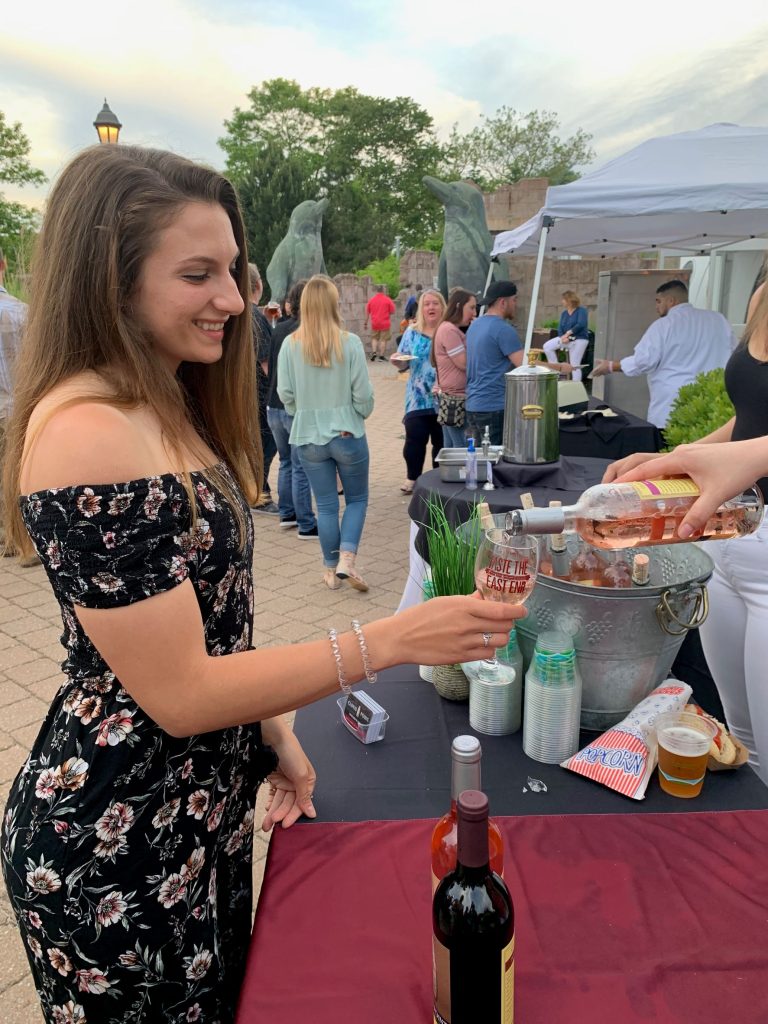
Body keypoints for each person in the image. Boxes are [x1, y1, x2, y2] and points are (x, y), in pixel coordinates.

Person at [0, 145, 524, 1024]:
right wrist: (391, 640)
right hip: (114, 848)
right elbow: (179, 692)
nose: (235, 300)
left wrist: (272, 730)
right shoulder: (88, 428)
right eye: (197, 274)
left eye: (235, 271)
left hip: (189, 817)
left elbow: (210, 633)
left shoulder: (157, 397)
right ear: (109, 279)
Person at [605, 278, 768, 784]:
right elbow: (751, 417)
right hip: (738, 536)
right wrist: (675, 462)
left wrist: (752, 458)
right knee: (743, 742)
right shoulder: (761, 293)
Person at [278, 275, 374, 591]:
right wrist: (357, 413)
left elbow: (286, 394)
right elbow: (363, 397)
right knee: (357, 499)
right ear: (334, 304)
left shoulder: (289, 346)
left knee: (327, 504)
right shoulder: (350, 343)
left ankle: (331, 571)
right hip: (346, 432)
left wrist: (305, 414)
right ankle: (348, 558)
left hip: (307, 436)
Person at [591, 279, 736, 430]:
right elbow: (735, 353)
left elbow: (644, 361)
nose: (656, 306)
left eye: (658, 301)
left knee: (669, 446)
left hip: (673, 403)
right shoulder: (718, 320)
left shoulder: (663, 326)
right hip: (712, 400)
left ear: (671, 301)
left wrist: (610, 366)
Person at [264, 278, 318, 537]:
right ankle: (306, 523)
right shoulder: (306, 331)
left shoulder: (278, 329)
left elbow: (270, 366)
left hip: (272, 406)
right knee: (300, 466)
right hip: (293, 406)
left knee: (286, 462)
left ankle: (287, 513)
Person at [0, 248, 38, 566]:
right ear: (3, 265)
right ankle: (25, 544)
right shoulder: (21, 312)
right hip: (16, 407)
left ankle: (6, 535)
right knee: (17, 473)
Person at [390, 288, 446, 494]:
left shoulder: (448, 330)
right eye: (426, 303)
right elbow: (403, 361)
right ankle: (412, 477)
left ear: (442, 307)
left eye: (435, 303)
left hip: (444, 397)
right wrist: (397, 361)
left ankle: (439, 480)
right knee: (415, 437)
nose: (431, 307)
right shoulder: (411, 332)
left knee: (441, 441)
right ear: (421, 308)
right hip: (417, 396)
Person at [465, 280, 524, 445]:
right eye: (514, 300)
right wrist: (560, 367)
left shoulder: (475, 326)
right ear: (503, 302)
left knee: (480, 462)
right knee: (494, 464)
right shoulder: (503, 329)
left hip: (473, 405)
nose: (516, 304)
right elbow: (525, 366)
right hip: (494, 407)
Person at [248, 263, 279, 515]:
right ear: (258, 285)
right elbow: (265, 360)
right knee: (266, 443)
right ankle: (259, 494)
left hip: (243, 390)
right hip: (260, 392)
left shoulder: (240, 313)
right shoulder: (254, 317)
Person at [431, 288, 477, 448]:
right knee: (461, 450)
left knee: (451, 448)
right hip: (455, 399)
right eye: (471, 307)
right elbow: (464, 363)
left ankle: (449, 474)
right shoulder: (449, 330)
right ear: (458, 306)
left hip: (451, 398)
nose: (474, 312)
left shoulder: (448, 328)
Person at [543, 289, 590, 381]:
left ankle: (576, 387)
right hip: (566, 339)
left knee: (574, 364)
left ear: (569, 300)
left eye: (563, 299)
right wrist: (562, 337)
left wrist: (568, 334)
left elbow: (581, 324)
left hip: (579, 340)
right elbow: (560, 328)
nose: (562, 301)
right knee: (547, 346)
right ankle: (555, 370)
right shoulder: (564, 313)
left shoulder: (581, 311)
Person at [365, 284, 396, 361]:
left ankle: (374, 352)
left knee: (374, 338)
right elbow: (392, 311)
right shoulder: (387, 299)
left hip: (375, 323)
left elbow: (367, 312)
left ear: (376, 291)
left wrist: (365, 323)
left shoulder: (372, 300)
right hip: (385, 323)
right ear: (383, 291)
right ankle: (381, 355)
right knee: (383, 339)